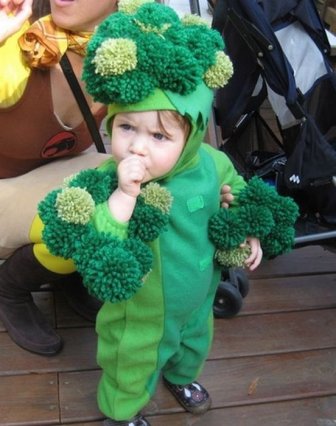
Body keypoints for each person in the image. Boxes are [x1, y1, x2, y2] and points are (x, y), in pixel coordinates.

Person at [35, 1, 299, 424]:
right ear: (111, 125)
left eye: (159, 135)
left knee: (194, 341)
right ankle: (122, 411)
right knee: (131, 360)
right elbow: (97, 238)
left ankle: (181, 376)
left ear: (191, 135)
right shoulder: (111, 178)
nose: (138, 146)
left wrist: (249, 232)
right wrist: (124, 194)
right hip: (141, 308)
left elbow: (244, 194)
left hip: (199, 293)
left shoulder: (212, 164)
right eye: (127, 128)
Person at [0, 0, 119, 356]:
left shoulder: (126, 58)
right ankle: (9, 287)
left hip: (42, 184)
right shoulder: (22, 43)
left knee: (133, 187)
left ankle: (64, 270)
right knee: (87, 209)